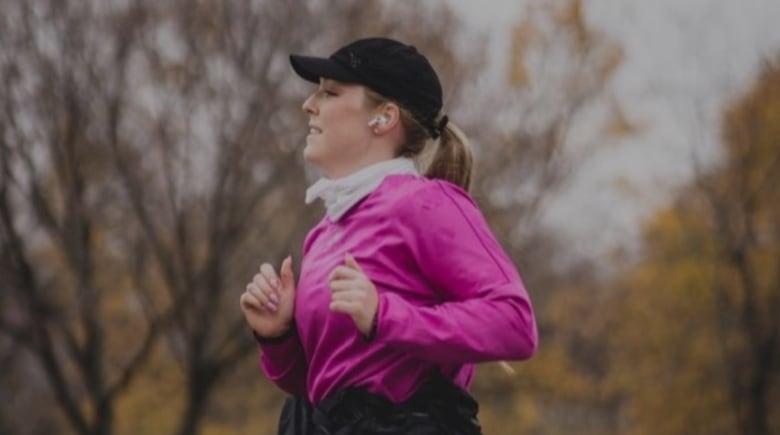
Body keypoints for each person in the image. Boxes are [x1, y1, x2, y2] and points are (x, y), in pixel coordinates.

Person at [239, 37, 538, 435]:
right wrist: (277, 336)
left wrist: (385, 315)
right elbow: (319, 385)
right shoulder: (324, 232)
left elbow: (514, 324)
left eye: (330, 92)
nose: (309, 104)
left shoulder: (426, 204)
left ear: (383, 118)